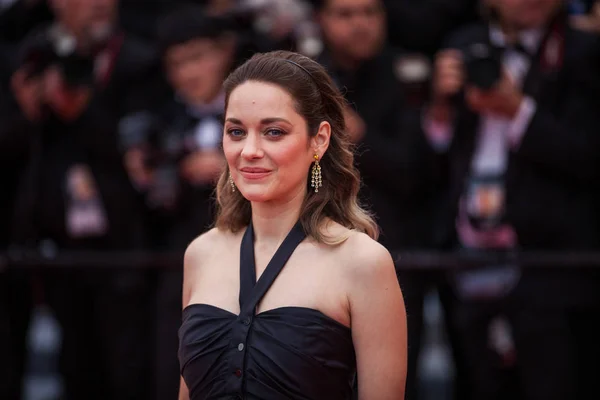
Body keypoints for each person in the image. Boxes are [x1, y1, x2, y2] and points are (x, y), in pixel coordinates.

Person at [178, 50, 407, 400]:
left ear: (319, 140)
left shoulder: (362, 262)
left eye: (273, 131)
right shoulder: (201, 253)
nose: (250, 150)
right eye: (236, 131)